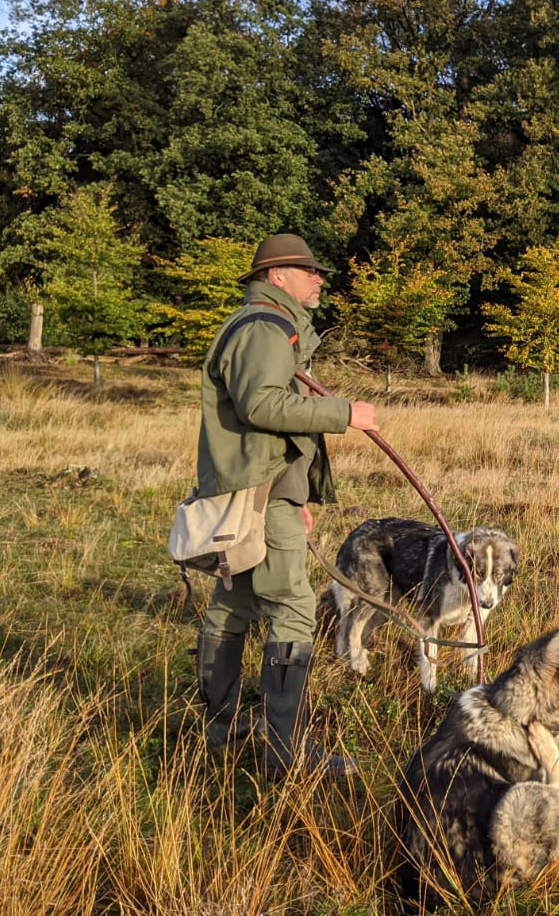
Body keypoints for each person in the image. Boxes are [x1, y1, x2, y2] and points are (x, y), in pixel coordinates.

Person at [191, 233, 378, 778]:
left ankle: (220, 735)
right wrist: (345, 413)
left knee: (234, 604)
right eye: (309, 271)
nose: (319, 279)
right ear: (278, 276)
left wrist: (293, 494)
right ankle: (284, 755)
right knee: (294, 607)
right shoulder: (267, 328)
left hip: (258, 491)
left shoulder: (257, 325)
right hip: (258, 492)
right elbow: (261, 405)